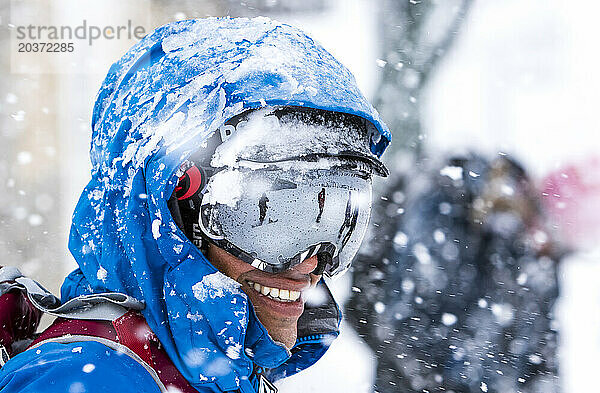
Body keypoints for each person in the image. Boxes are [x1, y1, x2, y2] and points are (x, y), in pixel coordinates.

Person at [0, 17, 390, 393]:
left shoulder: (210, 365)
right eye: (271, 218)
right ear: (170, 212)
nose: (310, 263)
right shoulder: (96, 380)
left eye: (335, 220)